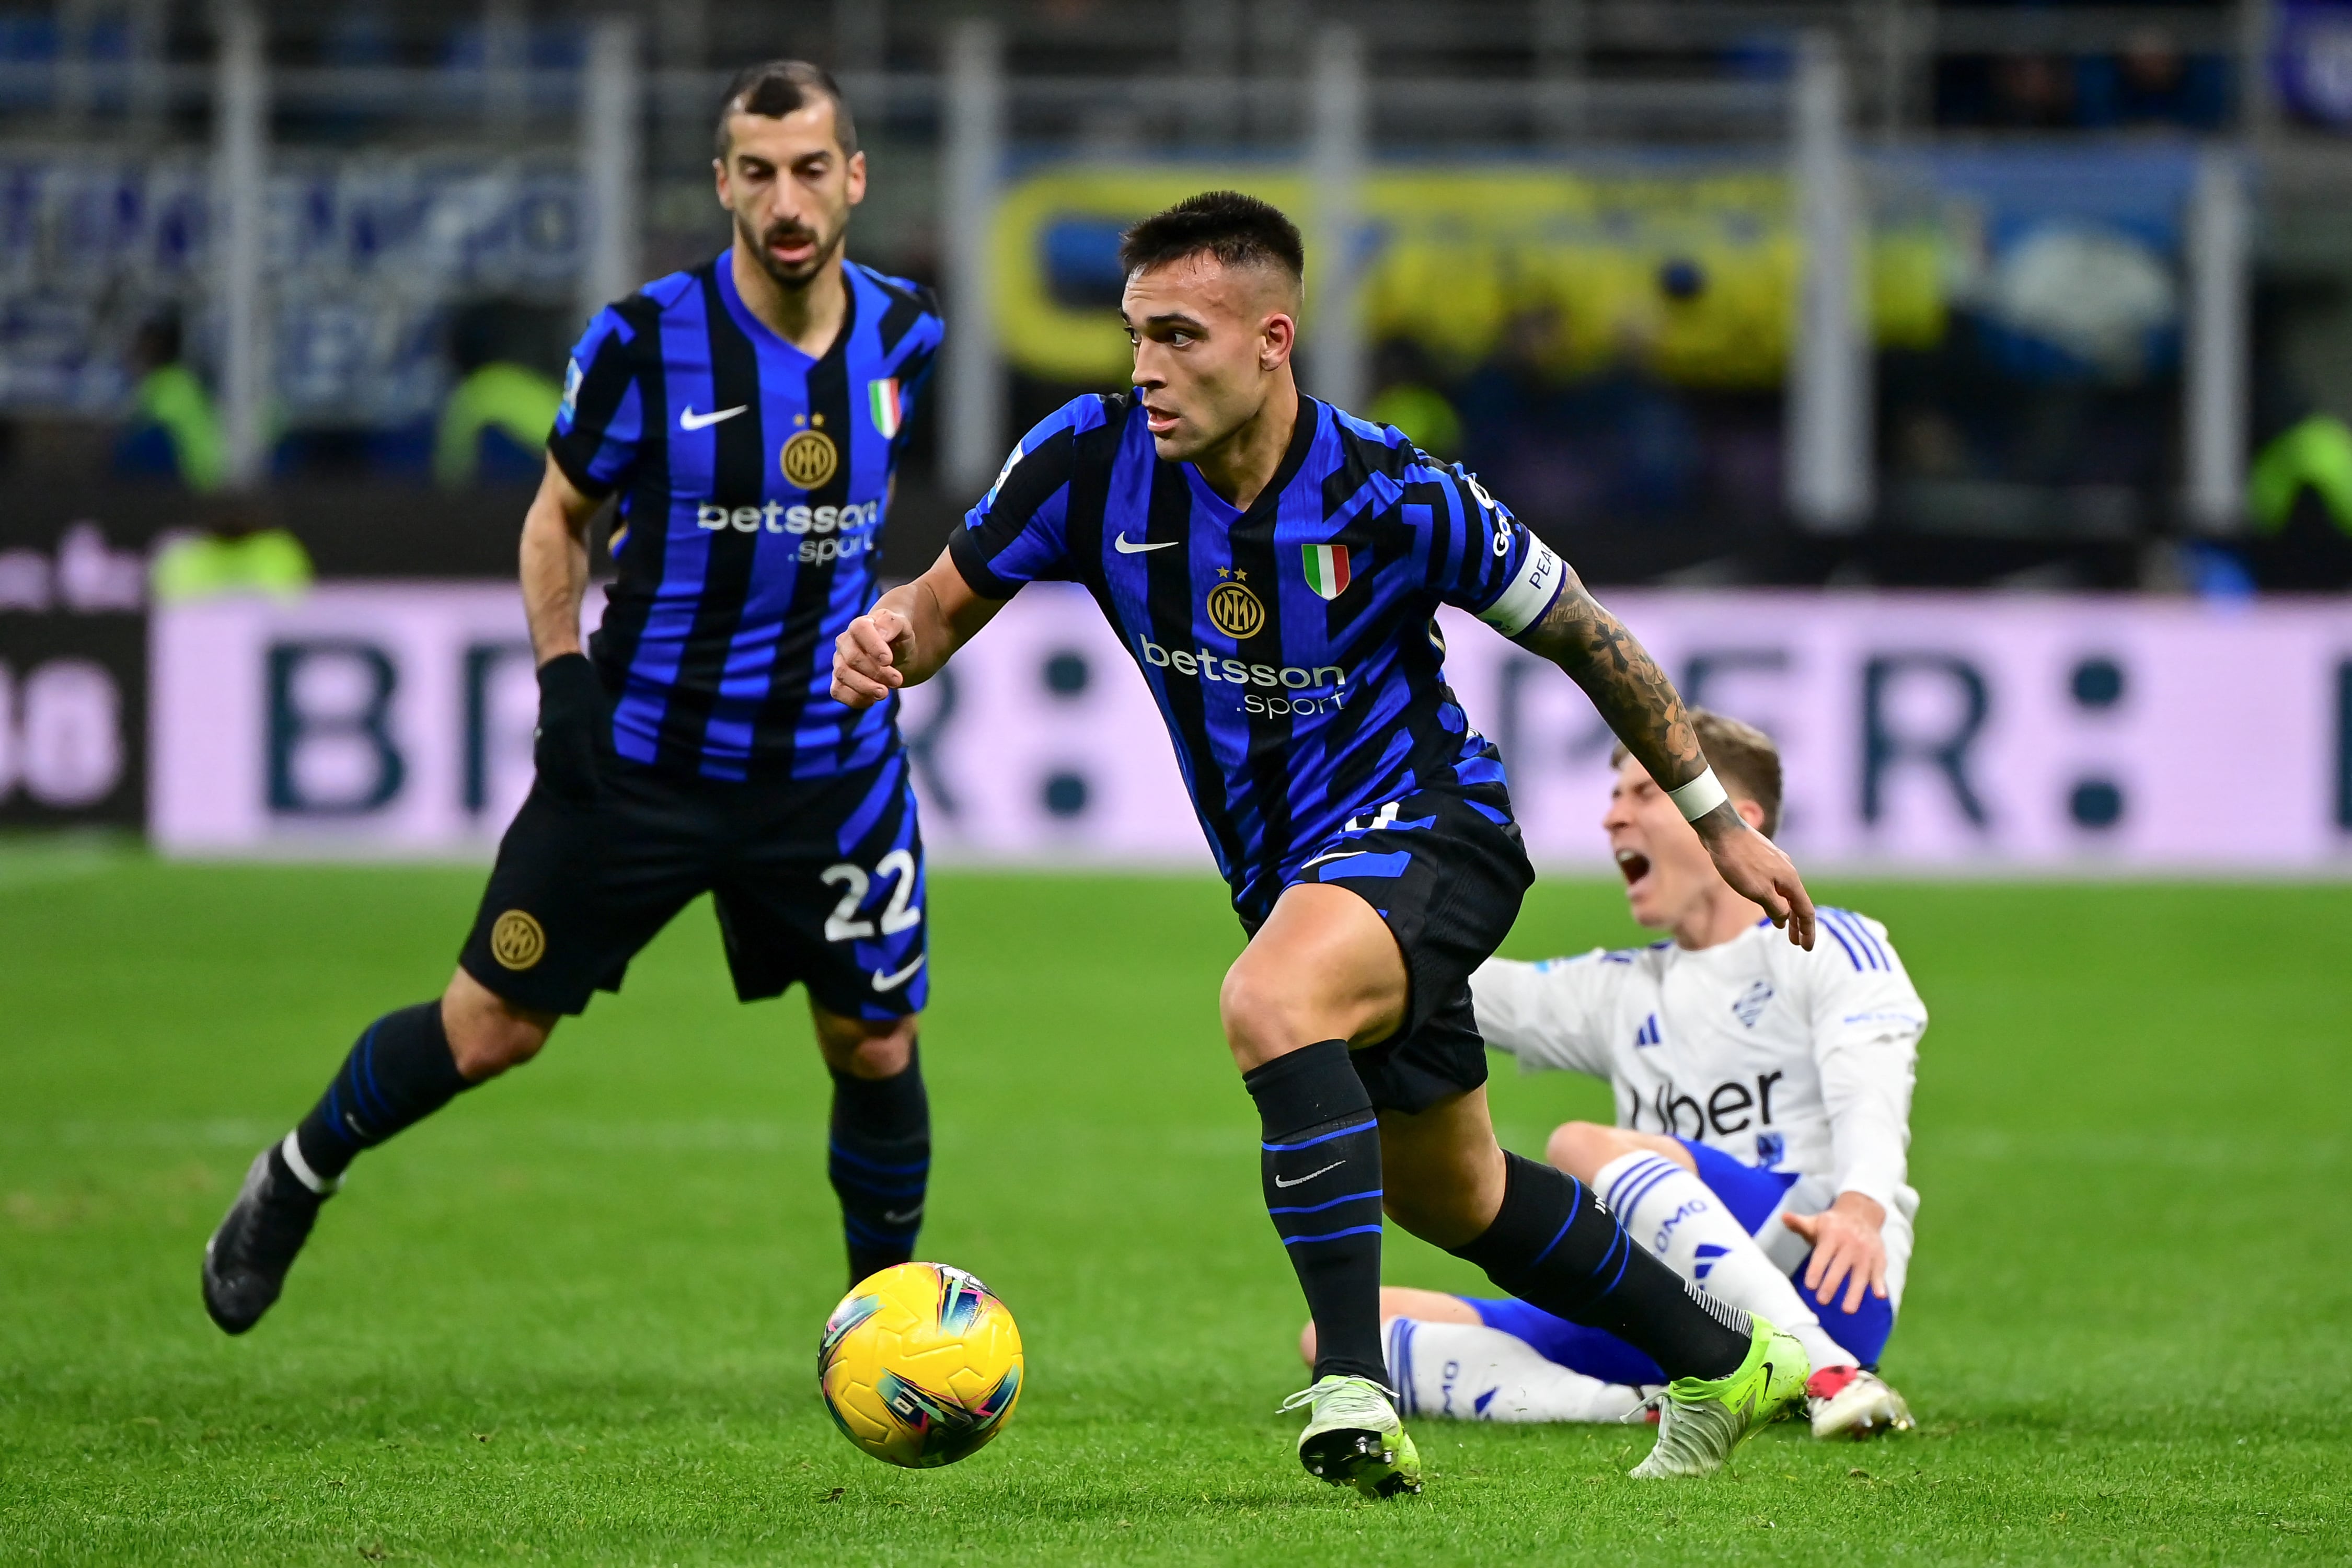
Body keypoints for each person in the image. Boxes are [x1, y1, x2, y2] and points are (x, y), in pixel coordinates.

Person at [831, 191, 1821, 1496]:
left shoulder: (1391, 489)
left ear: (1272, 340)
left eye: (1179, 336)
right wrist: (891, 636)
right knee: (1453, 1192)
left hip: (1434, 829)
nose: (1145, 368)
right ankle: (1730, 1365)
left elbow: (1585, 631)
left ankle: (1352, 1386)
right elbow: (943, 604)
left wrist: (1714, 826)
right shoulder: (1086, 459)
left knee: (1271, 998)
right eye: (1133, 336)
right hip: (1291, 874)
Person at [202, 62, 946, 1331]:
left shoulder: (907, 331)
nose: (786, 199)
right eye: (757, 172)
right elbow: (558, 520)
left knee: (874, 1041)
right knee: (490, 1029)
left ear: (855, 179)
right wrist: (561, 679)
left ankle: (884, 1330)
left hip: (829, 771)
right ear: (720, 183)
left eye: (811, 169)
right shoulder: (643, 341)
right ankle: (296, 1175)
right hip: (640, 759)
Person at [1345, 711, 1922, 1440]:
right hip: (1675, 1300)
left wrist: (1863, 1205)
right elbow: (1451, 983)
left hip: (1827, 1264)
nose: (1614, 816)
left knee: (1583, 1145)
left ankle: (1825, 1367)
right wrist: (1329, 933)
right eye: (1615, 797)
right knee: (1346, 1339)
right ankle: (1656, 1403)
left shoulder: (1827, 942)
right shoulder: (1625, 986)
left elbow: (1872, 1082)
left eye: (1646, 794)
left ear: (1738, 823)